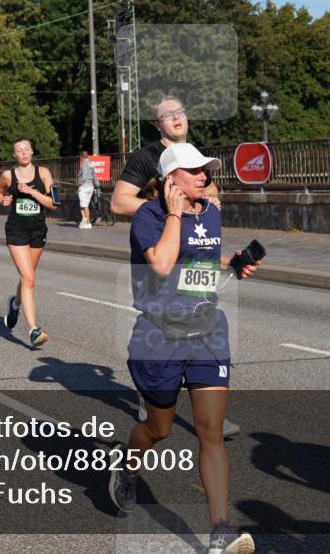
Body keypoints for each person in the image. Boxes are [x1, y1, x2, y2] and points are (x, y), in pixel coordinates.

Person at [109, 143, 259, 554]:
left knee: (211, 433)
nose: (204, 177)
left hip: (207, 332)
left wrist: (231, 262)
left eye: (206, 171)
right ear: (170, 178)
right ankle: (127, 465)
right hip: (159, 336)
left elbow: (199, 260)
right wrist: (174, 214)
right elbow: (161, 263)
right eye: (195, 171)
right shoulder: (149, 216)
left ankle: (220, 531)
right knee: (159, 429)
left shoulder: (210, 212)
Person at [110, 96, 239, 439]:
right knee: (163, 317)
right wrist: (166, 208)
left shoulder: (196, 156)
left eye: (180, 111)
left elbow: (211, 194)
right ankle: (152, 393)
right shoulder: (146, 157)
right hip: (160, 235)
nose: (177, 118)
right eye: (168, 115)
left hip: (192, 242)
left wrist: (204, 204)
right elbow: (119, 202)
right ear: (158, 125)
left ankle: (208, 412)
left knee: (198, 312)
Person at [0, 137, 56, 348]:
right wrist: (3, 200)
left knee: (27, 277)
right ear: (14, 154)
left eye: (26, 149)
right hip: (16, 230)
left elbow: (54, 203)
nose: (23, 153)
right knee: (28, 279)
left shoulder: (43, 173)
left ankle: (15, 304)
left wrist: (31, 191)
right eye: (19, 150)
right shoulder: (8, 175)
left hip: (38, 230)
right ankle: (33, 330)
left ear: (32, 151)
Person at [77, 150, 99, 229]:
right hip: (90, 187)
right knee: (84, 205)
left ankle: (88, 223)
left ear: (82, 157)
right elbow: (94, 175)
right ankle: (84, 221)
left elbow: (84, 176)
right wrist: (96, 183)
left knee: (84, 206)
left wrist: (79, 183)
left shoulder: (84, 164)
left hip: (84, 187)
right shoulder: (91, 164)